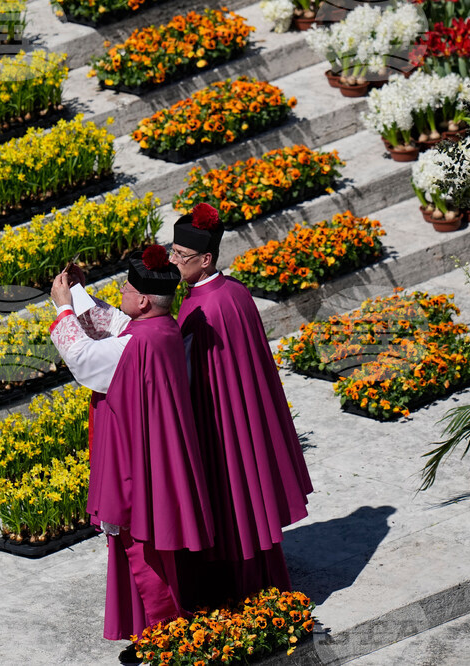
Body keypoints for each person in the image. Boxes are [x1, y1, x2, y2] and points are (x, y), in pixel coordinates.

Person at [49, 246, 214, 664]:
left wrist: (64, 309)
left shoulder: (136, 345)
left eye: (124, 288)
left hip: (132, 459)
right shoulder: (161, 329)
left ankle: (162, 632)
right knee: (147, 544)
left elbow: (84, 359)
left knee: (139, 545)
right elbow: (117, 322)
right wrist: (81, 295)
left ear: (143, 299)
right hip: (153, 450)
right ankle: (154, 625)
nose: (119, 293)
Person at [168, 202, 313, 607]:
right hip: (245, 414)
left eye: (181, 256)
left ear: (206, 258)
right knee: (250, 494)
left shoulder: (200, 307)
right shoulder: (235, 292)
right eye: (173, 253)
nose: (174, 262)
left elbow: (191, 376)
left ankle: (237, 590)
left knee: (230, 500)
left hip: (216, 420)